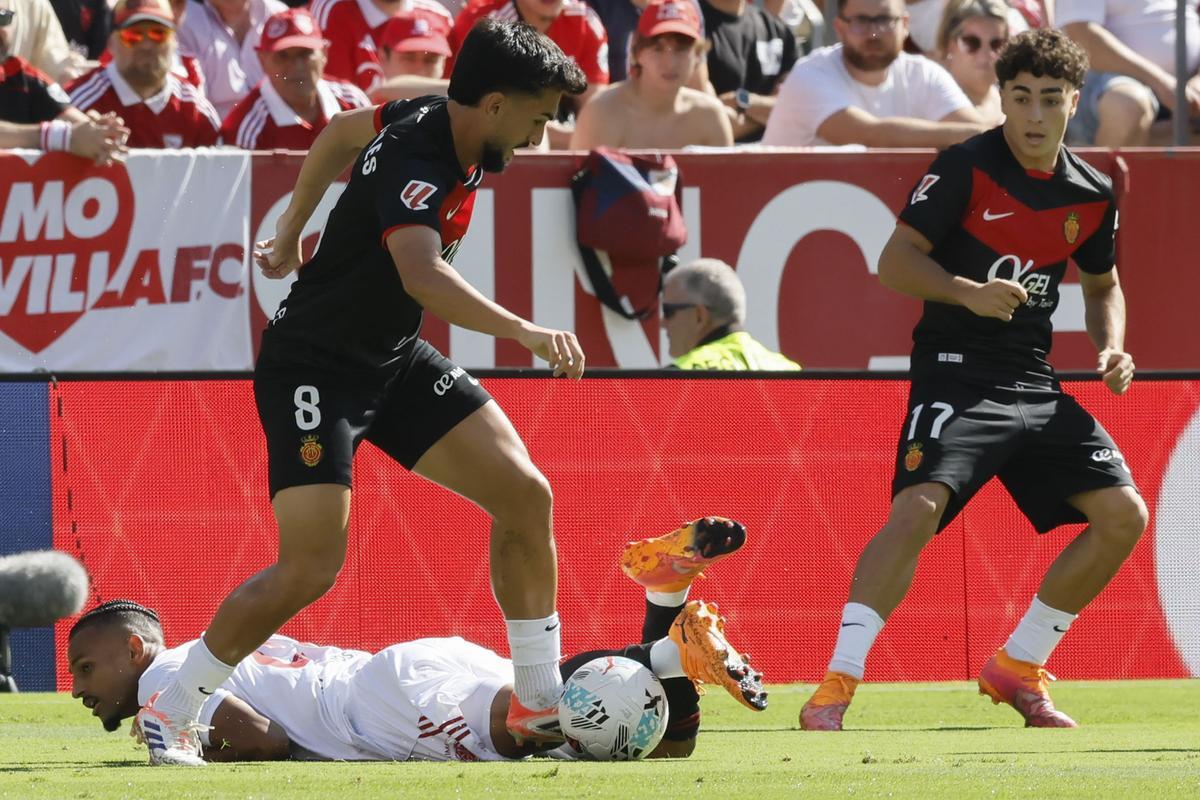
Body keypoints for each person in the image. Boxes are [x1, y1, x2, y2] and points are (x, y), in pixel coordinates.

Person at [136, 19, 590, 767]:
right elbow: (421, 274)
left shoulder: (424, 112)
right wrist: (527, 331)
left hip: (390, 356)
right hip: (313, 368)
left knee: (525, 494)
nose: (542, 135)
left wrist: (289, 227)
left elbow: (342, 131)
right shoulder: (423, 152)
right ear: (498, 103)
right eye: (540, 117)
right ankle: (175, 706)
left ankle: (539, 706)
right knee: (311, 567)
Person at [800, 28, 1147, 732]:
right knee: (918, 509)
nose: (1034, 115)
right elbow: (893, 262)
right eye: (1020, 98)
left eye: (1050, 100)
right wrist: (968, 291)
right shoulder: (965, 165)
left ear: (1073, 103)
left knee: (1124, 517)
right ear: (1003, 99)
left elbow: (1103, 284)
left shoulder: (1093, 191)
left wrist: (1112, 345)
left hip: (1035, 381)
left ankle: (1018, 667)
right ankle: (836, 683)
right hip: (957, 373)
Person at [67, 518, 765, 762]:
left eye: (84, 667)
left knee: (538, 718)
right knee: (658, 741)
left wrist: (179, 737)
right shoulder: (208, 654)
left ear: (135, 650)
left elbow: (263, 743)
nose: (77, 688)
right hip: (411, 673)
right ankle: (665, 602)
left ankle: (669, 651)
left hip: (380, 710)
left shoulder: (167, 680)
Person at [762, 0, 985, 147]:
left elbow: (978, 132)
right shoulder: (811, 74)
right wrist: (976, 136)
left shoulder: (924, 74)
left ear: (905, 24)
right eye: (861, 21)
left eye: (885, 20)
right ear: (840, 28)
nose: (874, 33)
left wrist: (986, 136)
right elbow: (869, 135)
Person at [571, 0, 732, 149]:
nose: (670, 62)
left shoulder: (710, 118)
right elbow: (579, 178)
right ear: (636, 51)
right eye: (657, 49)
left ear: (698, 56)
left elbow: (725, 179)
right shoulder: (602, 114)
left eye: (681, 49)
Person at [66, 0, 221, 148]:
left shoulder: (195, 112)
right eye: (133, 36)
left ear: (174, 41)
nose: (146, 45)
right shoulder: (76, 105)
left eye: (158, 34)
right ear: (111, 44)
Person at [219, 8, 371, 150]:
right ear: (262, 61)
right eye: (283, 56)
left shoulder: (354, 104)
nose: (296, 66)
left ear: (324, 54)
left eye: (305, 53)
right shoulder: (244, 129)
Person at [1057, 0, 1200, 146]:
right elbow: (1083, 38)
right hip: (1107, 82)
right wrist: (1161, 83)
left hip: (1183, 90)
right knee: (1127, 104)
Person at [0, 8, 129, 164]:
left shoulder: (18, 73)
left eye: (3, 19)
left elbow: (72, 120)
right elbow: (67, 136)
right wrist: (61, 137)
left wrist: (97, 130)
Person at [661, 258, 799, 370]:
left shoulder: (677, 380)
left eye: (668, 311)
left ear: (699, 315)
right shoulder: (790, 372)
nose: (662, 323)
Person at [698, 0, 798, 142]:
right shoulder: (691, 27)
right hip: (718, 159)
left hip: (777, 158)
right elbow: (706, 124)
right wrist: (774, 115)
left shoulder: (776, 29)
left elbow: (798, 109)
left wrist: (741, 101)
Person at [312, 0, 453, 95]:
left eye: (430, 60)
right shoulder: (333, 9)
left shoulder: (438, 15)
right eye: (409, 58)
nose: (420, 66)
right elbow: (335, 101)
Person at [177, 0, 288, 119]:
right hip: (215, 132)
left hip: (279, 127)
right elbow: (192, 107)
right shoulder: (184, 18)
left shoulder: (279, 14)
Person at [935, 0, 1009, 127]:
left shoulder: (1013, 101)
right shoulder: (931, 98)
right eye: (972, 42)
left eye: (997, 44)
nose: (986, 54)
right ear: (949, 44)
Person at [371, 9, 452, 102]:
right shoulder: (361, 103)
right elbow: (386, 91)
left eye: (431, 60)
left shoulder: (454, 111)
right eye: (409, 58)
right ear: (383, 58)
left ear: (443, 64)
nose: (420, 69)